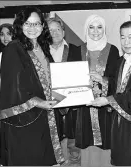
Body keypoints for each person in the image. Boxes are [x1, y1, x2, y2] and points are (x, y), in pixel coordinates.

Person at [0, 7, 64, 165]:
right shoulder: (13, 48)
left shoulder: (42, 48)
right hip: (25, 117)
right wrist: (38, 102)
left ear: (42, 26)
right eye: (28, 23)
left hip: (43, 116)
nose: (32, 28)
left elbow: (50, 78)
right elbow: (14, 85)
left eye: (37, 24)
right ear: (20, 25)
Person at [88, 21, 131, 166]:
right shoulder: (121, 61)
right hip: (120, 118)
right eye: (122, 37)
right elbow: (117, 84)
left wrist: (108, 100)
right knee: (121, 157)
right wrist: (103, 79)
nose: (126, 42)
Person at [74, 14, 120, 166]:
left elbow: (117, 80)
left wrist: (103, 79)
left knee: (106, 141)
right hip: (84, 106)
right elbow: (71, 77)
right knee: (86, 140)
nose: (95, 31)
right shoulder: (78, 50)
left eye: (99, 27)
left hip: (104, 105)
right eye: (91, 27)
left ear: (104, 29)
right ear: (86, 29)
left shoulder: (112, 50)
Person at [47, 16, 81, 165]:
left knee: (74, 140)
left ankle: (74, 163)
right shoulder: (41, 52)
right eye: (50, 30)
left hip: (72, 103)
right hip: (50, 103)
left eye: (58, 29)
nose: (55, 33)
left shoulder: (76, 50)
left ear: (64, 31)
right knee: (53, 139)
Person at [0, 23, 14, 166]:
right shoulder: (1, 54)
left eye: (8, 33)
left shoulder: (19, 53)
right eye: (2, 34)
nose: (5, 37)